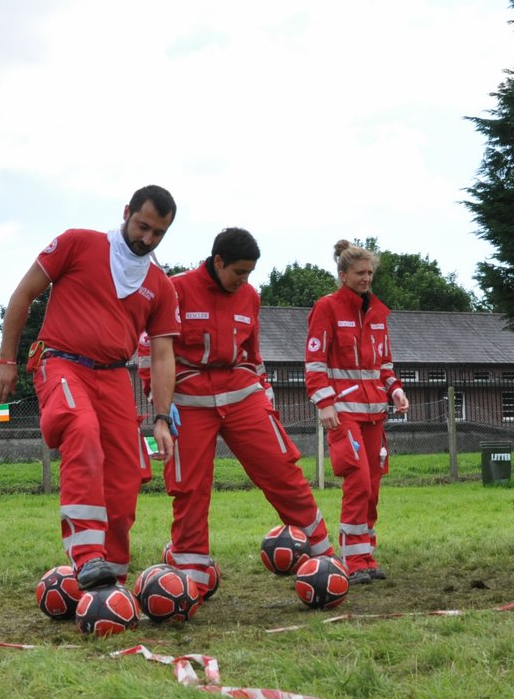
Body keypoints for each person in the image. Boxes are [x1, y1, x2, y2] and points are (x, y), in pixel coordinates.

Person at [0, 185, 181, 592]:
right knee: (81, 429)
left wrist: (163, 417)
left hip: (114, 376)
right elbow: (23, 295)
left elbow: (164, 355)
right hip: (61, 361)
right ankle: (87, 556)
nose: (146, 239)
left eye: (158, 234)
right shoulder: (77, 243)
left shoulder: (161, 286)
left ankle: (109, 577)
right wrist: (6, 360)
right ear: (126, 211)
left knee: (126, 471)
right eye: (142, 226)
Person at [137, 228, 334, 596]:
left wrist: (266, 395)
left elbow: (253, 355)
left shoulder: (251, 297)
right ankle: (192, 573)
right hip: (190, 404)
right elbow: (151, 350)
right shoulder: (174, 289)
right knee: (190, 487)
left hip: (243, 397)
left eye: (250, 274)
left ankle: (322, 553)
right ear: (218, 262)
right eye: (238, 272)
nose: (244, 281)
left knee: (281, 469)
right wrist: (158, 399)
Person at [305, 240, 409, 584]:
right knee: (358, 481)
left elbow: (384, 363)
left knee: (374, 486)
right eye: (360, 273)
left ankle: (366, 554)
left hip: (375, 412)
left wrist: (395, 390)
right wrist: (325, 403)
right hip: (343, 413)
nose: (367, 278)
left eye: (370, 273)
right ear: (343, 274)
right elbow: (315, 361)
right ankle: (352, 561)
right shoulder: (327, 308)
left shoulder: (379, 312)